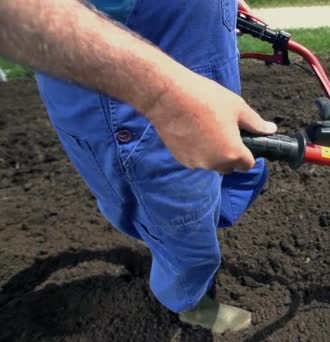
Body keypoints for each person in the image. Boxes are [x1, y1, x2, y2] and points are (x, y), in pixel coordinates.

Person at [0, 0, 276, 334]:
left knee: (233, 180)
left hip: (200, 71)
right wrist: (162, 97)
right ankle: (190, 303)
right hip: (136, 105)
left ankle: (197, 227)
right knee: (181, 229)